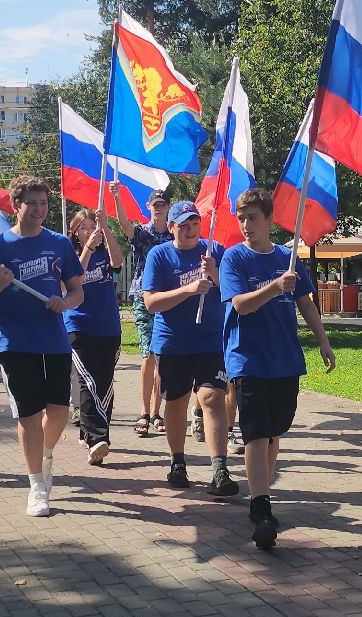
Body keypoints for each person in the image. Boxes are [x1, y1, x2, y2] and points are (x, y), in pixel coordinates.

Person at [220, 187, 337, 549]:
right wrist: (273, 287)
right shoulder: (233, 259)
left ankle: (262, 493)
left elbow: (304, 301)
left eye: (252, 218)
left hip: (285, 359)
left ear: (269, 220)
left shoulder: (289, 258)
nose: (245, 225)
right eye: (241, 218)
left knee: (274, 432)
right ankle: (261, 506)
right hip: (248, 358)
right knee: (255, 434)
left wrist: (323, 340)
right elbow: (240, 304)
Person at [0, 177, 85, 517]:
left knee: (59, 412)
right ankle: (37, 485)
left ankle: (46, 454)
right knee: (30, 415)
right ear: (15, 205)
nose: (39, 210)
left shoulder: (60, 244)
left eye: (44, 204)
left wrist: (64, 303)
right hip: (14, 341)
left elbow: (78, 291)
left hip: (53, 339)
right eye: (32, 203)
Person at [139, 200, 233, 494]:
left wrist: (215, 274)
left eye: (194, 223)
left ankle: (219, 469)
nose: (190, 229)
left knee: (211, 398)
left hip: (210, 341)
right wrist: (189, 289)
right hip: (173, 343)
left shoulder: (214, 251)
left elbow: (234, 292)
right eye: (183, 225)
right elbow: (151, 302)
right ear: (171, 228)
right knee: (176, 402)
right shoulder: (159, 255)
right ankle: (177, 462)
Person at [65, 208, 123, 466]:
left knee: (105, 384)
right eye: (84, 227)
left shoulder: (105, 254)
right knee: (88, 382)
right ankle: (97, 439)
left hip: (108, 327)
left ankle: (93, 434)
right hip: (79, 327)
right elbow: (76, 276)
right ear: (75, 232)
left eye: (93, 226)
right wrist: (88, 247)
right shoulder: (69, 255)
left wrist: (106, 228)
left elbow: (119, 262)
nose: (89, 231)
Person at [126, 202, 171, 438]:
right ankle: (144, 412)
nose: (159, 209)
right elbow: (125, 228)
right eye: (155, 205)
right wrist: (115, 199)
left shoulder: (175, 235)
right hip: (144, 298)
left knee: (161, 356)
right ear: (149, 207)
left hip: (168, 299)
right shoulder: (142, 233)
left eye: (163, 205)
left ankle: (157, 413)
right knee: (148, 354)